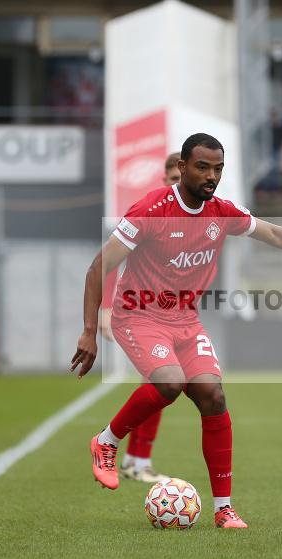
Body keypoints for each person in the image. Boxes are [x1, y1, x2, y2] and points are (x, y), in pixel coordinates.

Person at [70, 133, 282, 529]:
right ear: (182, 168)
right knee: (171, 382)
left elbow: (278, 235)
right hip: (139, 315)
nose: (211, 176)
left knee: (212, 395)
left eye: (218, 169)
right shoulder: (151, 211)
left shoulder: (222, 212)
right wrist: (89, 331)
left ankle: (223, 508)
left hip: (185, 320)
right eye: (202, 167)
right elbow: (98, 267)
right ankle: (107, 442)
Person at [116, 152, 181, 484]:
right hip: (141, 316)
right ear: (165, 181)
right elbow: (115, 259)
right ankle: (134, 459)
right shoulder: (151, 215)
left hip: (170, 317)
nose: (178, 186)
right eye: (172, 179)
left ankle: (134, 459)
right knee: (161, 384)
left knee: (160, 386)